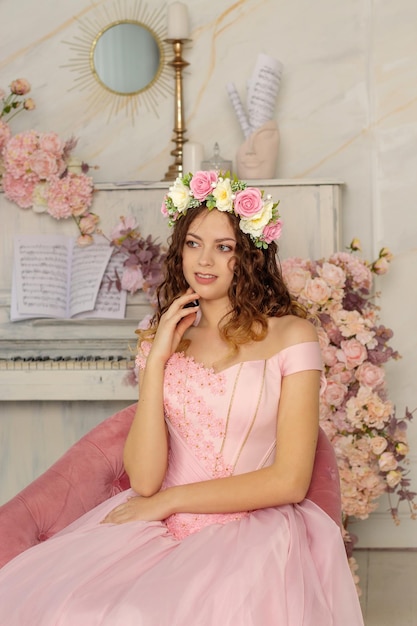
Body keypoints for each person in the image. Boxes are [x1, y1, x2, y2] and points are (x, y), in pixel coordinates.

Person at [0, 171, 364, 625]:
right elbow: (146, 480)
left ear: (248, 255)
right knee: (72, 607)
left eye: (223, 246)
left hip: (248, 531)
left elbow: (290, 480)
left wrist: (170, 503)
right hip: (157, 524)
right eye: (193, 243)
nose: (204, 260)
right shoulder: (164, 338)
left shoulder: (292, 335)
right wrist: (156, 363)